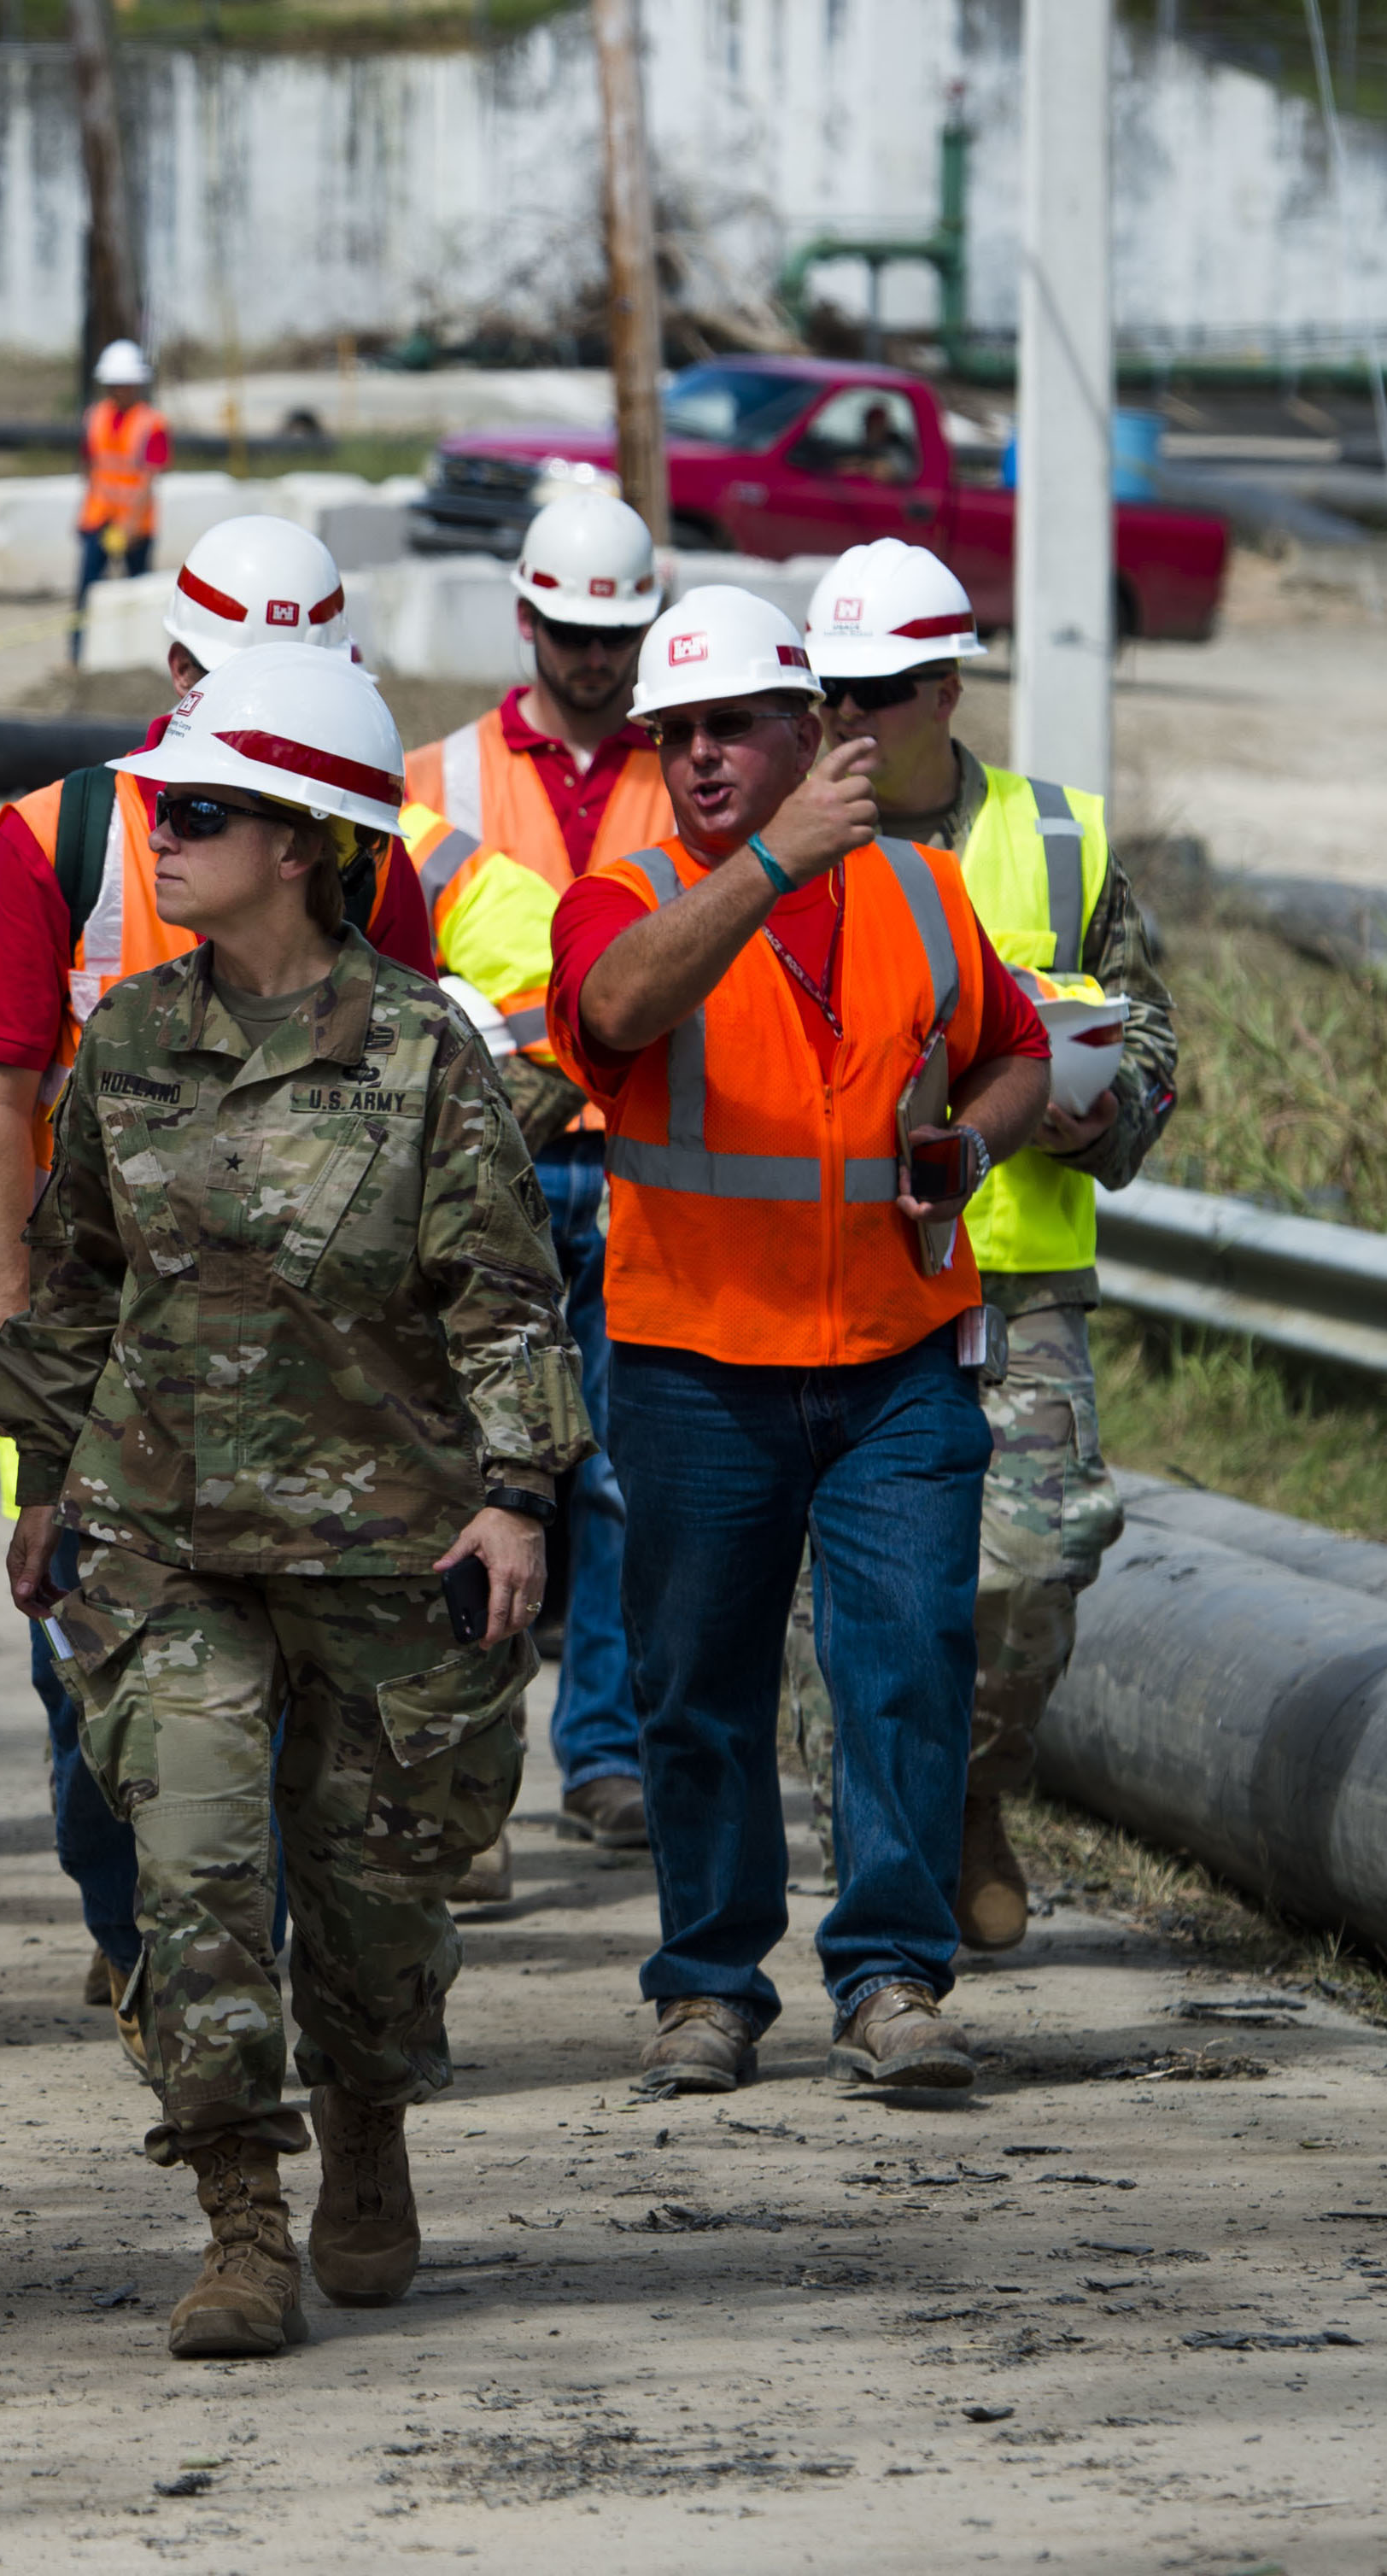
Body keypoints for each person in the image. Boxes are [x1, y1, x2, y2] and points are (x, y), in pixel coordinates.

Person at [0, 641, 584, 2362]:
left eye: (204, 809)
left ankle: (371, 2116)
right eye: (160, 805)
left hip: (384, 1546)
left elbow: (500, 1293)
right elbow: (80, 1281)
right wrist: (43, 1479)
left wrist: (518, 1492)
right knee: (194, 1868)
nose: (159, 833)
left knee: (378, 1905)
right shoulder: (134, 1037)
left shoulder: (421, 1053)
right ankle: (239, 2208)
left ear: (308, 837)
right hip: (168, 1544)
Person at [0, 516, 471, 2008]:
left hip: (311, 1362)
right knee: (94, 1690)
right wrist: (10, 1306)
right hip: (102, 1343)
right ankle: (140, 1938)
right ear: (172, 669)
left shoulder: (360, 857)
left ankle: (237, 1970)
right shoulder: (60, 835)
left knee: (290, 1692)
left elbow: (412, 1092)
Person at [552, 584, 1052, 2100]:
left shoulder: (915, 890)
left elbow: (1015, 1056)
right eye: (674, 734)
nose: (697, 757)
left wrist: (968, 1145)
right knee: (695, 1686)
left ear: (810, 728)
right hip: (697, 1367)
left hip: (895, 1356)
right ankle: (706, 1986)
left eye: (731, 728)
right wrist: (770, 863)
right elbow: (616, 1008)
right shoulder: (620, 889)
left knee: (900, 1663)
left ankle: (890, 1975)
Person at [778, 540, 1178, 1952]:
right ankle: (881, 1891)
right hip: (838, 1277)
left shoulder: (1055, 838)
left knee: (1040, 1548)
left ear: (944, 687)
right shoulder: (775, 848)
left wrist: (1090, 1113)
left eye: (875, 693)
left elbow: (1146, 1049)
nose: (842, 721)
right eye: (823, 692)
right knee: (853, 1590)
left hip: (1014, 1269)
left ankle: (966, 1788)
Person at [402, 490, 675, 1857]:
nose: (593, 658)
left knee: (620, 1474)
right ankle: (471, 1787)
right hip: (480, 1176)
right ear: (526, 619)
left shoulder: (685, 772)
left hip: (635, 1172)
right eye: (570, 630)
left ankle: (608, 1752)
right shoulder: (435, 780)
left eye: (615, 633)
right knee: (470, 1476)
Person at [76, 339, 169, 618]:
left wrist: (129, 527)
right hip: (99, 518)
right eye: (114, 383)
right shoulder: (95, 416)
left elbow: (148, 480)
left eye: (125, 383)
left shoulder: (152, 423)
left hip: (136, 524)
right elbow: (90, 466)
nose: (119, 390)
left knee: (139, 593)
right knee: (87, 591)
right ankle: (78, 655)